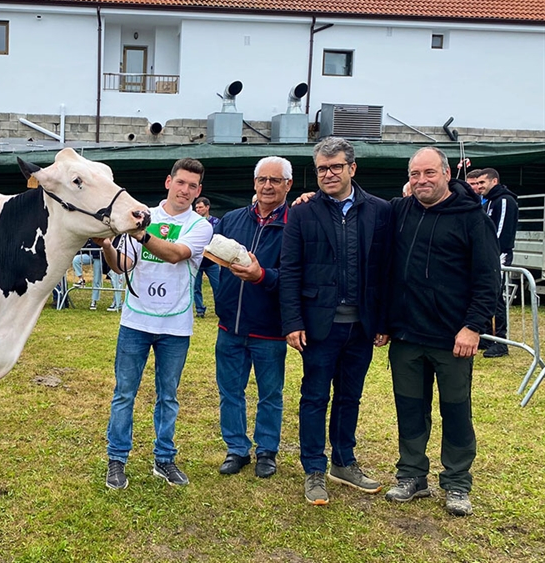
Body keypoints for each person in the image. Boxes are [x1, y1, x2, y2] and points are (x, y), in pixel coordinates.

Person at [384, 146, 500, 517]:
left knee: (456, 411)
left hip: (453, 340)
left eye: (429, 173)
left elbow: (488, 279)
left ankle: (457, 482)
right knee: (410, 409)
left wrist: (472, 327)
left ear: (447, 174)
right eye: (415, 174)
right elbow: (362, 211)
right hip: (406, 336)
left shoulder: (471, 218)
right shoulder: (399, 212)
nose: (421, 181)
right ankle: (412, 476)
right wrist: (308, 198)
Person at [279, 137, 391, 506]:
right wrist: (293, 321)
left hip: (361, 324)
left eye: (335, 167)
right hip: (318, 325)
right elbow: (291, 269)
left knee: (350, 397)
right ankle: (313, 467)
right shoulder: (302, 212)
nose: (328, 174)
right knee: (314, 396)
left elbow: (384, 270)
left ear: (352, 168)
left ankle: (344, 461)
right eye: (322, 168)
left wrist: (383, 320)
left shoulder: (379, 210)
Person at [98, 157, 213, 490]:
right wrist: (107, 245)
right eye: (181, 182)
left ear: (198, 191)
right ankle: (116, 460)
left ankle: (164, 460)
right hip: (135, 320)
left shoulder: (200, 225)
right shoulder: (140, 214)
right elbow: (123, 265)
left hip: (176, 326)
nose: (186, 190)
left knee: (168, 396)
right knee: (124, 394)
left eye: (193, 186)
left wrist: (141, 233)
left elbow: (176, 254)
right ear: (168, 182)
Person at [213, 156, 292, 479]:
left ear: (288, 184)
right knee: (230, 391)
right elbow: (210, 260)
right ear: (254, 183)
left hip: (269, 328)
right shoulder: (232, 219)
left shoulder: (295, 224)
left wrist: (262, 276)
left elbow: (295, 276)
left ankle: (267, 451)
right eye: (262, 179)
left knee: (269, 394)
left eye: (275, 180)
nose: (267, 186)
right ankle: (236, 449)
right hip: (229, 325)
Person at [474, 168, 519, 358]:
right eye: (477, 183)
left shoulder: (505, 201)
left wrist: (491, 255)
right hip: (488, 256)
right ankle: (486, 337)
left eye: (483, 182)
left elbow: (500, 232)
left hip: (498, 257)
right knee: (486, 294)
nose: (479, 186)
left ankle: (501, 341)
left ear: (494, 181)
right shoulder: (490, 201)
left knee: (497, 297)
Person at [193, 196, 221, 318]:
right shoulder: (192, 223)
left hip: (212, 261)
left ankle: (220, 309)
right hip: (197, 261)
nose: (198, 210)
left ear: (207, 207)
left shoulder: (216, 222)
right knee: (195, 287)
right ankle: (199, 310)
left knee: (218, 287)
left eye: (200, 207)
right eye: (196, 208)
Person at [72, 238, 106, 310]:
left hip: (98, 256)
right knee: (76, 260)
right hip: (89, 254)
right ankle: (81, 279)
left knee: (96, 280)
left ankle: (94, 301)